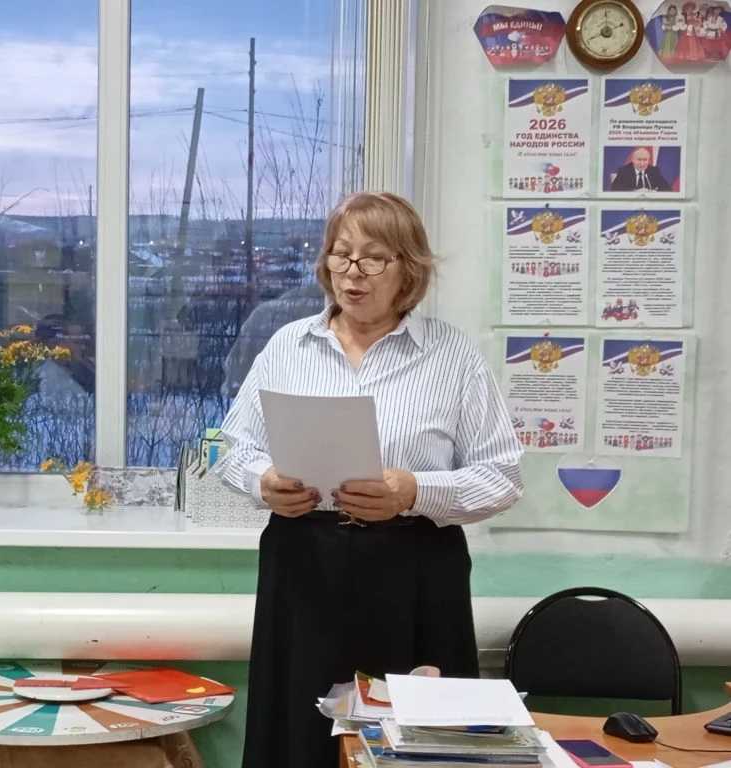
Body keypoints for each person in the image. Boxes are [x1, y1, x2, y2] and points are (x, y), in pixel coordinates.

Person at [215, 191, 524, 768]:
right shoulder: (287, 346)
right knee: (297, 735)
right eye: (341, 254)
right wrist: (262, 481)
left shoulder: (452, 355)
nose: (353, 272)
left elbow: (503, 475)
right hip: (304, 561)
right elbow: (232, 448)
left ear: (409, 268)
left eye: (374, 258)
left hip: (415, 569)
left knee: (415, 738)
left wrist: (415, 491)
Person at [609, 147, 673, 192]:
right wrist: (634, 192)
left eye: (645, 160)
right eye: (639, 159)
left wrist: (654, 192)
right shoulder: (624, 171)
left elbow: (668, 189)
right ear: (633, 160)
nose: (642, 163)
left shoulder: (654, 171)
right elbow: (614, 189)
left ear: (648, 160)